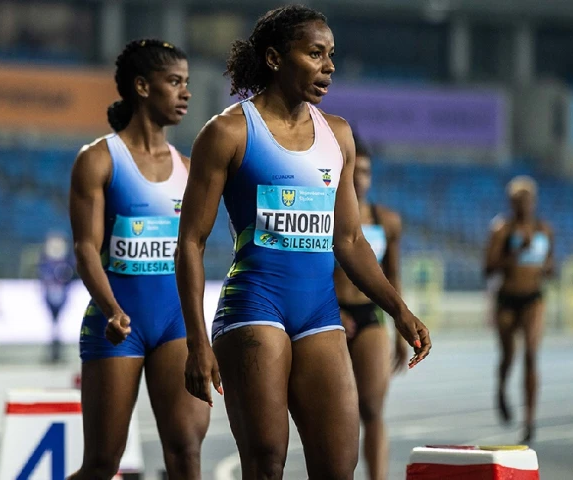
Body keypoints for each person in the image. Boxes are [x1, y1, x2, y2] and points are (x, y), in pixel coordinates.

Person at [174, 6, 431, 479]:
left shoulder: (339, 135)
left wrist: (398, 308)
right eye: (315, 53)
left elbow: (350, 240)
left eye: (331, 55)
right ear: (275, 58)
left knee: (339, 464)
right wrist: (195, 341)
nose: (329, 66)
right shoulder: (228, 132)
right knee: (267, 460)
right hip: (254, 307)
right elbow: (190, 242)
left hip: (319, 313)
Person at [68, 38, 209, 479]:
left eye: (186, 83)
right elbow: (86, 248)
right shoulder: (98, 161)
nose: (186, 93)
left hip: (175, 323)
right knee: (102, 463)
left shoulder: (189, 168)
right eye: (175, 82)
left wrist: (200, 333)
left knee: (186, 449)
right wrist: (111, 308)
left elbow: (195, 251)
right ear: (143, 87)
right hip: (118, 325)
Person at [332, 136, 407, 480]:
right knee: (334, 413)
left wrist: (400, 330)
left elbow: (392, 276)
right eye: (354, 170)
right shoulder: (326, 217)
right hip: (329, 316)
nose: (360, 178)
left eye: (366, 171)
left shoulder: (386, 221)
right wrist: (333, 310)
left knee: (373, 409)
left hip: (370, 315)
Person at [484, 175, 553, 443]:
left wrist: (547, 268)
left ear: (534, 201)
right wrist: (516, 253)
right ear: (511, 202)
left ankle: (529, 420)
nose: (524, 205)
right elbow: (488, 268)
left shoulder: (544, 230)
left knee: (532, 355)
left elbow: (550, 265)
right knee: (509, 355)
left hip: (534, 299)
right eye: (518, 200)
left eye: (528, 200)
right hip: (507, 300)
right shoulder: (501, 229)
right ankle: (501, 387)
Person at [38, 231, 77, 362]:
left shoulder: (67, 261)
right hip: (50, 297)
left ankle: (58, 352)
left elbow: (70, 276)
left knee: (60, 325)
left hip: (62, 297)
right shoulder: (45, 262)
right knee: (52, 326)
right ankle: (52, 352)